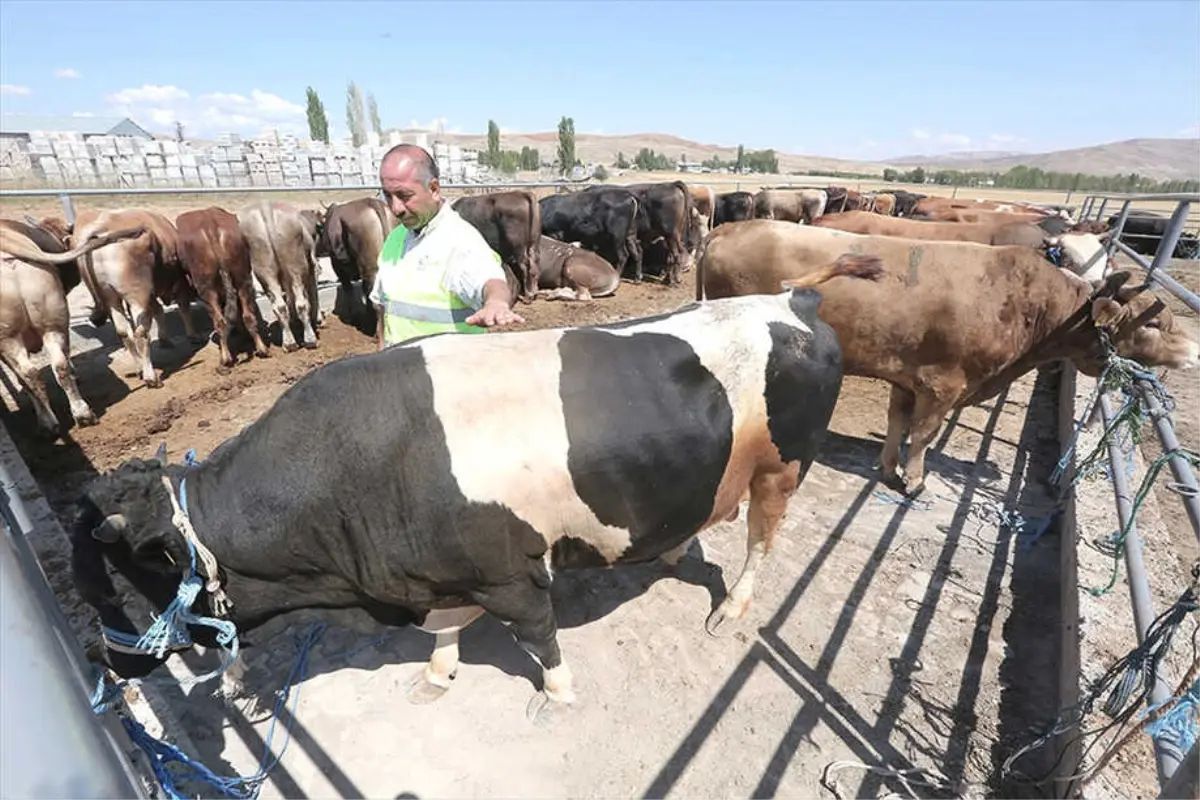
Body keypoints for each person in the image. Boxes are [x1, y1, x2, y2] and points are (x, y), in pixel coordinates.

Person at [369, 143, 524, 349]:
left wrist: (496, 303)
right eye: (387, 195)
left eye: (405, 196)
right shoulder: (395, 238)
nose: (395, 208)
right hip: (399, 371)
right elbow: (384, 309)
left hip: (447, 375)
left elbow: (489, 279)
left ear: (433, 189)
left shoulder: (459, 240)